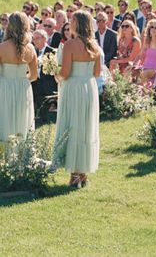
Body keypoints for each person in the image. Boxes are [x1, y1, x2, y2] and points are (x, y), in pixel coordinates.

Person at [53, 11, 101, 188]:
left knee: (73, 125)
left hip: (73, 87)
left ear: (77, 24)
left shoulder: (70, 45)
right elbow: (97, 73)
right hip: (89, 87)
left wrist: (56, 75)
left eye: (72, 21)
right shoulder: (95, 46)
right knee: (86, 127)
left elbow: (65, 72)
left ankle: (75, 175)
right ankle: (83, 173)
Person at [0, 12, 37, 141]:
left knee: (3, 121)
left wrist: (3, 82)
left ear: (9, 26)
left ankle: (0, 154)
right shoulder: (31, 49)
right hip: (23, 88)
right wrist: (22, 81)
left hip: (3, 87)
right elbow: (34, 75)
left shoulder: (1, 48)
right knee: (21, 121)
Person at [132, 19, 156, 87]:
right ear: (149, 29)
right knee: (129, 70)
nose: (153, 29)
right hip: (145, 66)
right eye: (152, 27)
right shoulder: (147, 41)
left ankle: (144, 93)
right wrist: (134, 64)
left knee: (144, 74)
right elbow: (140, 55)